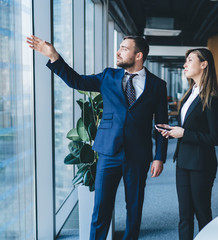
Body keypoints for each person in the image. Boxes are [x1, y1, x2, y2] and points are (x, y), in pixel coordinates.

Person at [26, 35, 168, 240]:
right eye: (119, 47)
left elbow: (161, 124)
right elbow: (77, 81)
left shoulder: (157, 85)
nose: (118, 52)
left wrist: (159, 157)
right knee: (101, 208)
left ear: (139, 55)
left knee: (134, 208)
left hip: (138, 154)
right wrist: (54, 56)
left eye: (124, 48)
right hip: (108, 152)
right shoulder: (108, 76)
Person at [157, 48, 218, 240]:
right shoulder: (188, 95)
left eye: (190, 60)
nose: (185, 65)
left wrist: (184, 133)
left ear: (204, 64)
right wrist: (173, 131)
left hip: (201, 164)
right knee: (184, 215)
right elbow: (189, 127)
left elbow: (216, 138)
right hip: (183, 162)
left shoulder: (212, 98)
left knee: (202, 213)